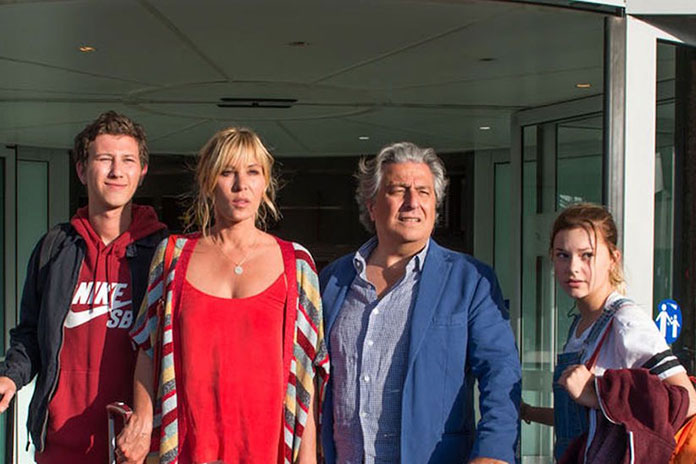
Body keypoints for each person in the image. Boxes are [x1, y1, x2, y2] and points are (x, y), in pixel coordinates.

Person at [118, 127, 329, 464]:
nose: (240, 185)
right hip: (187, 450)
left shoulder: (297, 264)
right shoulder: (172, 257)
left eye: (252, 172)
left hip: (269, 453)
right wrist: (142, 424)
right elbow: (147, 346)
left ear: (265, 182)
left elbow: (306, 376)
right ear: (207, 181)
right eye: (227, 172)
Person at [320, 142, 521, 464]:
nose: (412, 202)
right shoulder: (333, 280)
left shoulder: (470, 280)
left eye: (424, 192)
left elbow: (500, 372)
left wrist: (493, 451)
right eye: (398, 190)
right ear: (371, 206)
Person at [0, 111, 167, 463]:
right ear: (81, 170)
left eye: (128, 160)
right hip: (59, 446)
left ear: (142, 172)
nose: (116, 171)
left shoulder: (163, 253)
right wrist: (11, 377)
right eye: (104, 159)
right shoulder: (55, 248)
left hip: (137, 450)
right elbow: (30, 334)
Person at [520, 202, 696, 460]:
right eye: (562, 255)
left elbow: (688, 401)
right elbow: (582, 423)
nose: (573, 267)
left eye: (587, 255)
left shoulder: (626, 322)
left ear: (613, 259)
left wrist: (599, 392)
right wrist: (528, 412)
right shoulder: (580, 326)